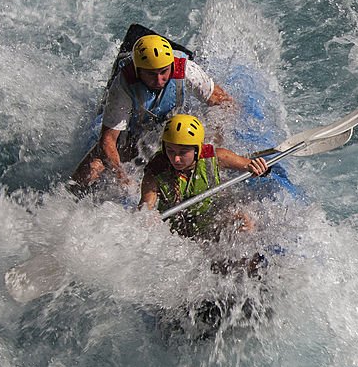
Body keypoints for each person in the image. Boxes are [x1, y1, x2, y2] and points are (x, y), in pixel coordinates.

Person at [70, 33, 237, 190]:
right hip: (135, 138)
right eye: (151, 74)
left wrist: (214, 143)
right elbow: (108, 141)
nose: (159, 80)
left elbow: (225, 103)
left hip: (178, 133)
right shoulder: (123, 85)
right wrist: (123, 179)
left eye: (163, 72)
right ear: (138, 71)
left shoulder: (186, 70)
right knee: (87, 173)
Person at [140, 114, 268, 238]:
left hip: (211, 220)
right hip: (176, 233)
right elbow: (145, 209)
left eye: (183, 152)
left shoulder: (216, 156)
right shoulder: (155, 171)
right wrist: (149, 219)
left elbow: (250, 165)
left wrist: (258, 167)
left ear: (197, 150)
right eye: (170, 151)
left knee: (244, 219)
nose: (176, 159)